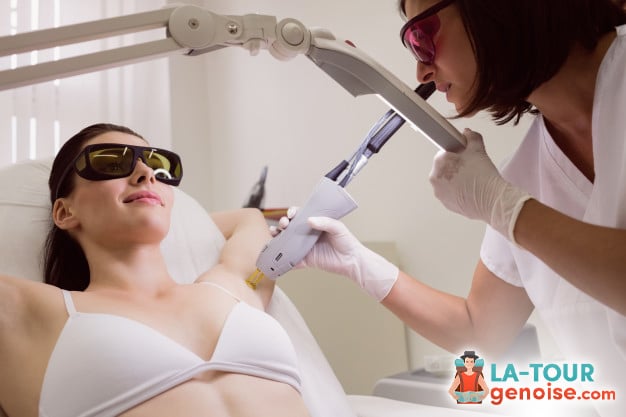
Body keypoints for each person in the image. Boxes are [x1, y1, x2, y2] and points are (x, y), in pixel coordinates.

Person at [275, 1, 626, 415]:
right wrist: (358, 264)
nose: (422, 72)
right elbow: (480, 327)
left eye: (422, 38)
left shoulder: (508, 195)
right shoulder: (527, 174)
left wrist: (503, 207)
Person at [0, 123, 310, 417]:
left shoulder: (232, 286)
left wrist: (184, 226)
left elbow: (249, 218)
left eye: (159, 166)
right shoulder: (35, 313)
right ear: (65, 212)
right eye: (110, 163)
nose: (145, 173)